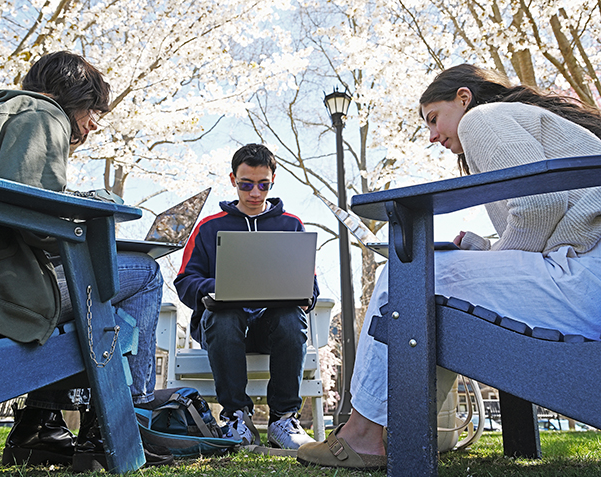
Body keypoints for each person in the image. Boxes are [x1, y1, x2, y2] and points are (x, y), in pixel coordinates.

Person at [297, 64, 601, 470]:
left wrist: (492, 256)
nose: (432, 135)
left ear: (463, 97)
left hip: (585, 279)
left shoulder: (483, 117)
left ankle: (364, 434)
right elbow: (549, 218)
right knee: (428, 276)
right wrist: (489, 250)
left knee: (404, 275)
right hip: (583, 271)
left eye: (434, 118)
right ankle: (398, 429)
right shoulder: (520, 121)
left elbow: (538, 208)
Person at [0, 51, 171, 469]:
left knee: (103, 301)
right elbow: (37, 224)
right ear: (72, 95)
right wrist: (96, 205)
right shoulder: (40, 113)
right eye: (92, 110)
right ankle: (124, 420)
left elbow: (14, 199)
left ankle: (39, 424)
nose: (93, 124)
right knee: (147, 274)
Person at [174, 143, 320, 450]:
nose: (255, 193)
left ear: (273, 181)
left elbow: (310, 286)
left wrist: (305, 294)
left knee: (292, 316)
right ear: (232, 180)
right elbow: (186, 281)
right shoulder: (208, 227)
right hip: (223, 327)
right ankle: (237, 418)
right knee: (225, 316)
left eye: (263, 185)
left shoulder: (291, 225)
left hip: (271, 329)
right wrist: (217, 286)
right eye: (246, 184)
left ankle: (282, 419)